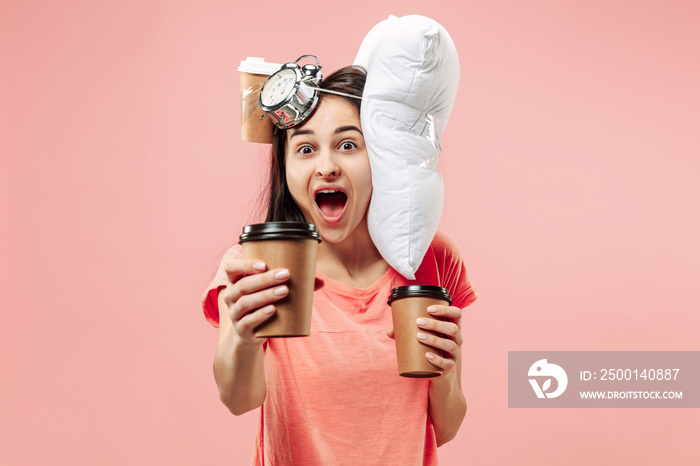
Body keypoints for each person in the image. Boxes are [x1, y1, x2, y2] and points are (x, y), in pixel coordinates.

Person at [201, 66, 477, 465]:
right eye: (306, 149)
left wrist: (446, 373)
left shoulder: (432, 259)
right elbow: (238, 400)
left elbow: (446, 427)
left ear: (380, 155)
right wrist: (244, 340)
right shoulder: (252, 265)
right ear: (286, 168)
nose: (326, 166)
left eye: (348, 145)